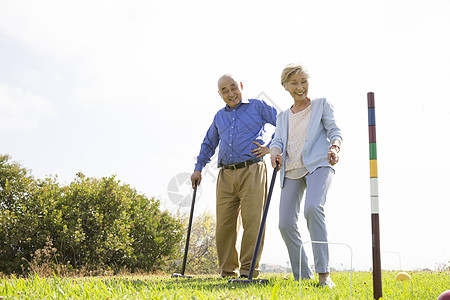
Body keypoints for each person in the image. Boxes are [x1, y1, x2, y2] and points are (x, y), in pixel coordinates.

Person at [190, 74, 277, 278]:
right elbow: (208, 143)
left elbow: (284, 122)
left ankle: (248, 272)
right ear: (219, 95)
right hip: (226, 174)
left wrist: (271, 147)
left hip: (252, 170)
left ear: (241, 86)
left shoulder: (258, 106)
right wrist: (198, 168)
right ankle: (228, 272)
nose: (231, 93)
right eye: (225, 91)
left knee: (253, 222)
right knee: (224, 226)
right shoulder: (219, 116)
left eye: (233, 88)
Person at [270, 63, 342, 287]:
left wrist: (335, 147)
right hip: (291, 169)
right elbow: (278, 141)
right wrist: (274, 152)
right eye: (294, 83)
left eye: (304, 81)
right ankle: (303, 276)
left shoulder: (320, 105)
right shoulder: (282, 116)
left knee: (313, 208)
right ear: (285, 86)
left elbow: (335, 130)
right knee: (285, 223)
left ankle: (324, 274)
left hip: (319, 164)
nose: (300, 87)